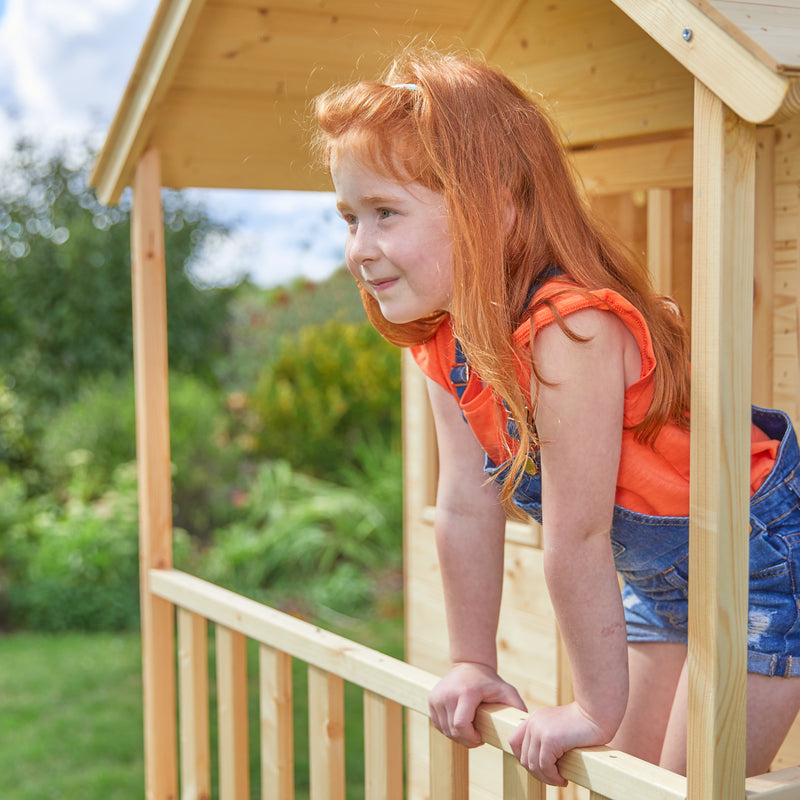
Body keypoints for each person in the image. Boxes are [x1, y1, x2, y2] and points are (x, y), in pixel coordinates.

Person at [312, 47, 800, 786]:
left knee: (687, 785)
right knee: (624, 781)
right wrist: (473, 662)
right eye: (350, 216)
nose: (360, 250)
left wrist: (594, 707)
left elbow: (579, 531)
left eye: (385, 213)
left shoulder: (568, 332)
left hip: (757, 558)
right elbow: (466, 508)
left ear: (495, 208)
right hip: (662, 572)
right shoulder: (444, 343)